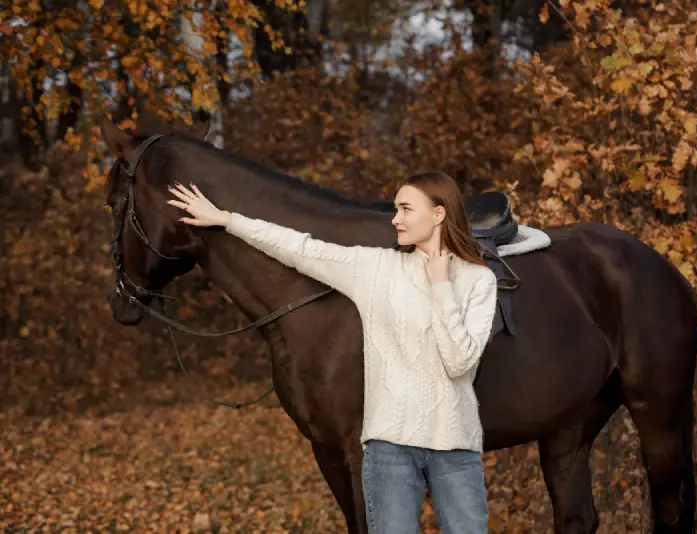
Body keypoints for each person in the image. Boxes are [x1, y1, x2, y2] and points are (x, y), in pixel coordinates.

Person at [167, 171, 497, 533]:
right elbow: (301, 248)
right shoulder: (375, 269)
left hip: (455, 451)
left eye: (405, 209)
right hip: (389, 452)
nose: (395, 219)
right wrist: (227, 220)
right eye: (395, 209)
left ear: (438, 214)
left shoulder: (477, 280)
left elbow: (459, 362)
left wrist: (441, 287)